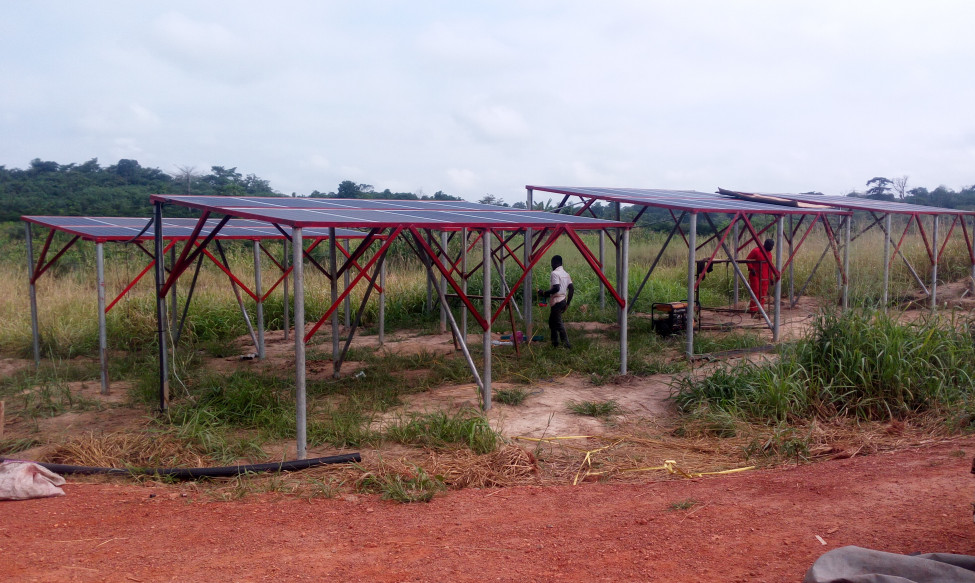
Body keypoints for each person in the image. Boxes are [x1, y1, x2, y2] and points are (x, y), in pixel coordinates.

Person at [538, 255, 574, 348]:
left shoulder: (554, 273)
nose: (551, 265)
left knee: (558, 323)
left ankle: (566, 345)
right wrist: (567, 303)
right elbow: (571, 289)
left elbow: (556, 288)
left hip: (557, 301)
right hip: (563, 301)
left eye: (552, 263)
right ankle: (555, 344)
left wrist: (544, 293)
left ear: (554, 263)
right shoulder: (566, 274)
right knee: (552, 322)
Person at [746, 238, 774, 316]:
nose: (771, 248)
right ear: (766, 244)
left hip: (765, 277)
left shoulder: (769, 254)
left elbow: (770, 267)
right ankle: (753, 311)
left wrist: (771, 278)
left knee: (763, 293)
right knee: (756, 292)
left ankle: (760, 310)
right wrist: (751, 269)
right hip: (755, 275)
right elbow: (748, 260)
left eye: (772, 246)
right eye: (770, 246)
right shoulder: (756, 251)